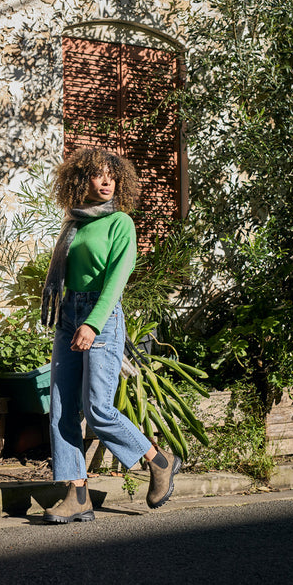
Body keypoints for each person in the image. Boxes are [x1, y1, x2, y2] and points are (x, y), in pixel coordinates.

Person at [40, 147, 181, 523]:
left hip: (101, 315)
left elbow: (117, 280)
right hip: (69, 313)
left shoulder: (120, 223)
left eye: (111, 176)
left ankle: (159, 460)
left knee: (98, 408)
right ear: (80, 179)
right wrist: (73, 318)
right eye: (97, 175)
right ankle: (77, 495)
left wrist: (93, 323)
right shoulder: (74, 223)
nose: (105, 182)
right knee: (62, 409)